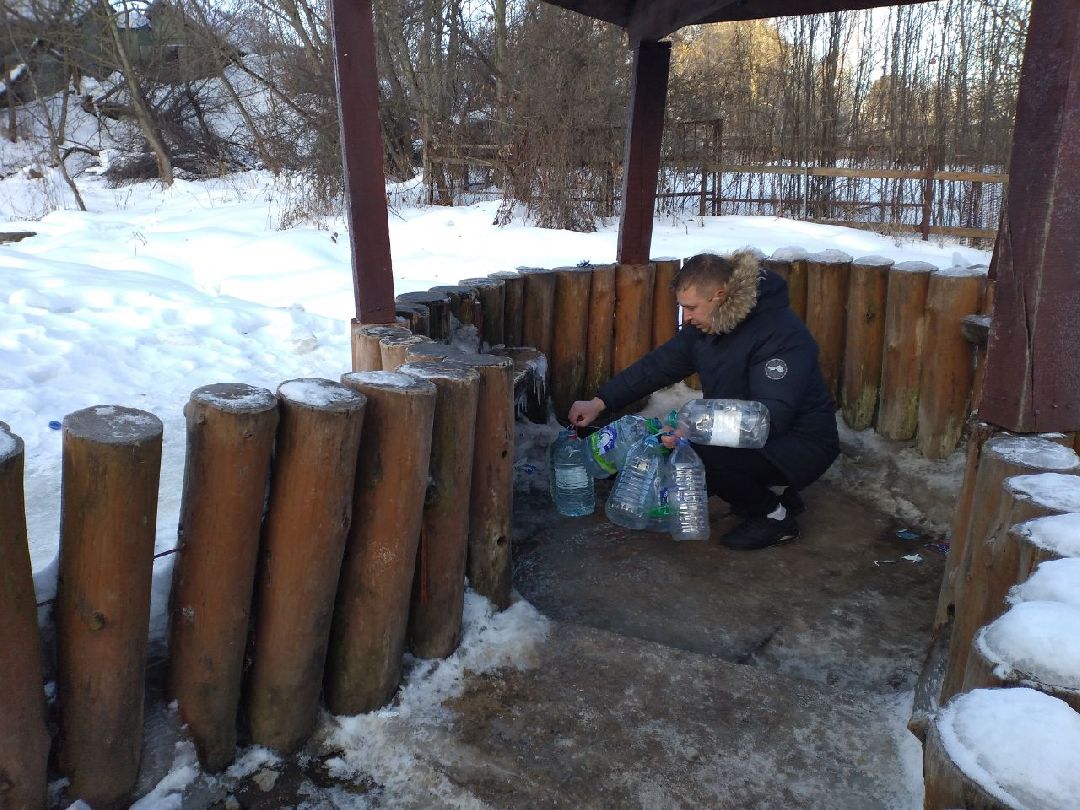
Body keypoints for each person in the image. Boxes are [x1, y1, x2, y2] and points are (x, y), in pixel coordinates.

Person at [568, 249, 839, 550]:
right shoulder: (706, 326)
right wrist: (600, 401)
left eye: (691, 307)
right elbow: (657, 367)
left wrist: (692, 431)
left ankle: (775, 517)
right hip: (754, 435)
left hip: (804, 442)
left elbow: (770, 418)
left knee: (696, 455)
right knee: (684, 457)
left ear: (720, 295)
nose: (686, 318)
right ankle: (755, 492)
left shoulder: (779, 334)